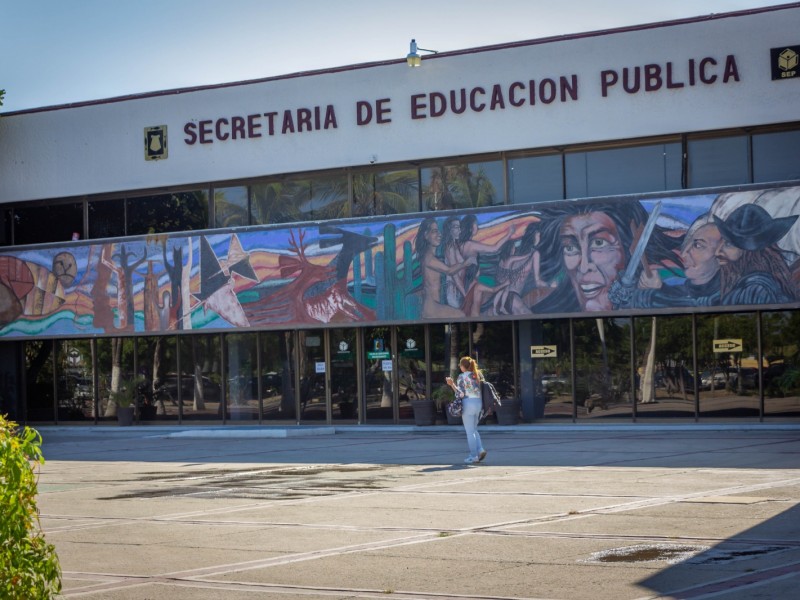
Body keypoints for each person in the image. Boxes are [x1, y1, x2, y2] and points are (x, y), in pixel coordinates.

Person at [534, 201, 680, 313]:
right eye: (570, 248)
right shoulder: (539, 313)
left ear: (626, 250)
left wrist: (656, 293)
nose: (584, 267)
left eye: (599, 243)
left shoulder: (646, 298)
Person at [713, 203, 798, 305]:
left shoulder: (756, 289)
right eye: (720, 242)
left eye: (728, 244)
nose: (717, 252)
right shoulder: (750, 285)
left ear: (749, 252)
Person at [445, 356, 487, 464]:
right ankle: (480, 449)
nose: (460, 367)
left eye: (460, 365)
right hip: (478, 403)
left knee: (469, 432)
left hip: (467, 403)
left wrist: (451, 384)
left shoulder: (461, 377)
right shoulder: (477, 375)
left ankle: (473, 456)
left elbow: (460, 394)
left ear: (463, 366)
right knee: (474, 429)